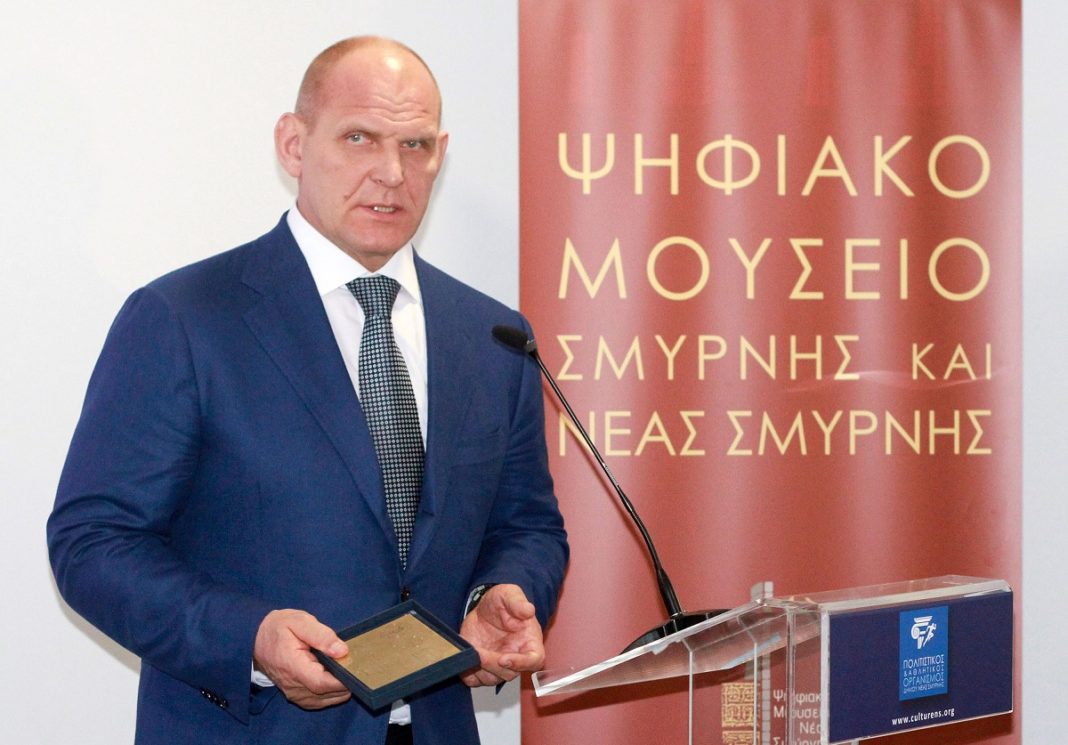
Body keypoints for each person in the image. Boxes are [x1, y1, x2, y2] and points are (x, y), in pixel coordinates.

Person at [47, 36, 568, 745]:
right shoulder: (184, 319)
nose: (392, 172)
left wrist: (500, 592)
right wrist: (250, 637)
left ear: (440, 154)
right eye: (359, 138)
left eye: (415, 145)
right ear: (293, 145)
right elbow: (92, 542)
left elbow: (527, 525)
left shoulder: (493, 336)